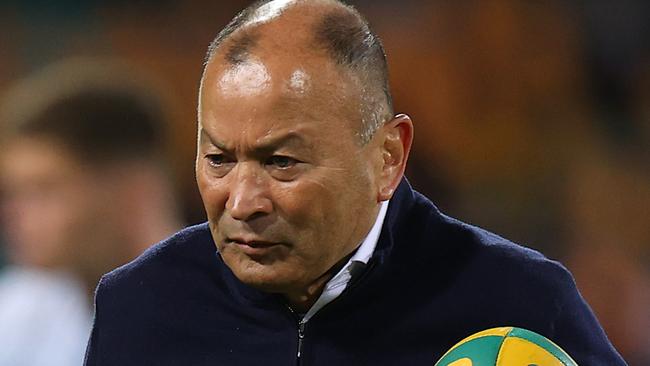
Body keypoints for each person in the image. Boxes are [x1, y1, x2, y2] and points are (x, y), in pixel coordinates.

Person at [84, 1, 627, 365]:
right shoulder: (140, 306)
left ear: (388, 157)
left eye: (282, 163)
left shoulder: (519, 304)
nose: (242, 202)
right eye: (219, 160)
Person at [0, 58, 182, 366]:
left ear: (133, 192)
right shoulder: (25, 303)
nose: (12, 215)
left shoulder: (224, 315)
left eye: (44, 189)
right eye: (13, 193)